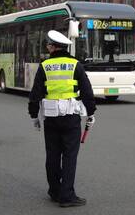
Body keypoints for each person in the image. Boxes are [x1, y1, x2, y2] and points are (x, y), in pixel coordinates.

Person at [28, 30, 96, 208]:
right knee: (69, 156)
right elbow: (87, 92)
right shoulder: (75, 65)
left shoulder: (45, 66)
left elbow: (35, 94)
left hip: (51, 118)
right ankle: (67, 195)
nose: (48, 48)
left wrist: (34, 115)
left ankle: (55, 191)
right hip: (71, 118)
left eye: (48, 45)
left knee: (52, 155)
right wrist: (91, 113)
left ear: (53, 47)